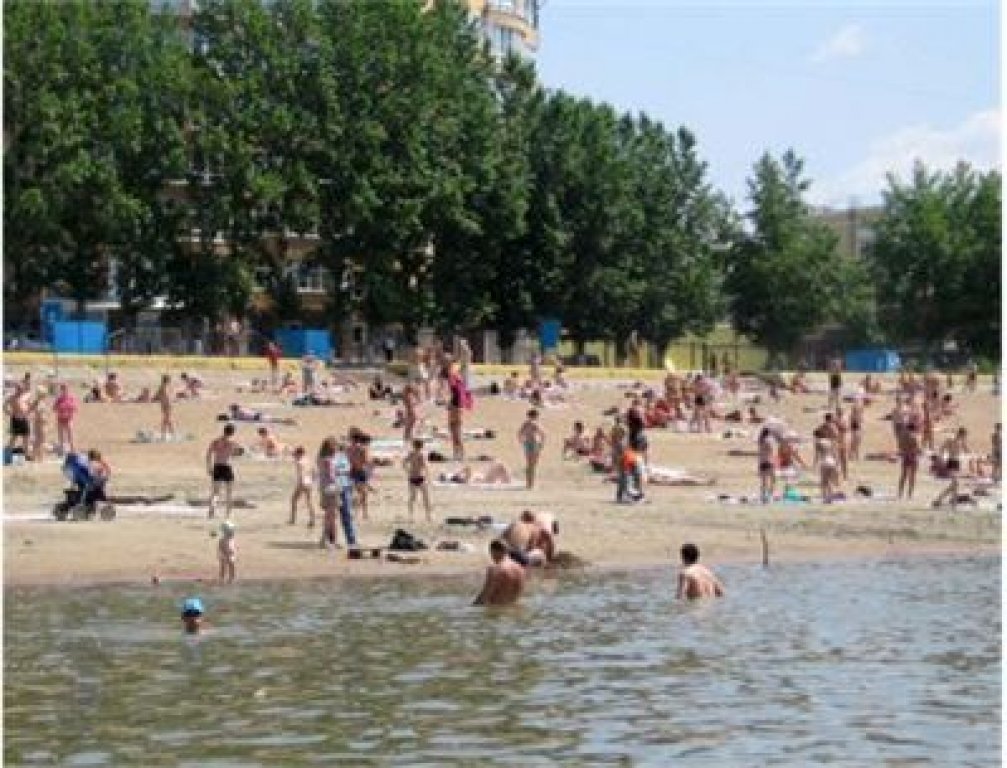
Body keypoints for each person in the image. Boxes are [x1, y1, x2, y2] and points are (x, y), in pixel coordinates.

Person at [317, 437, 357, 549]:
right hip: (332, 489)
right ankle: (325, 539)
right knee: (330, 516)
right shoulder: (328, 460)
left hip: (326, 488)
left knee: (332, 515)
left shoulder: (321, 458)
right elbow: (332, 476)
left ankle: (332, 540)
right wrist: (342, 472)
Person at [473, 539, 526, 607]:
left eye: (491, 553)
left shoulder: (496, 569)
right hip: (514, 608)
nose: (492, 557)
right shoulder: (520, 569)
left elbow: (486, 593)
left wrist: (472, 607)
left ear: (494, 551)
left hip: (496, 608)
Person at [206, 424, 239, 519]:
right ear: (232, 433)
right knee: (229, 492)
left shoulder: (216, 441)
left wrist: (209, 467)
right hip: (227, 466)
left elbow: (208, 454)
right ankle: (228, 515)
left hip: (217, 466)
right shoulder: (233, 443)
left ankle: (212, 510)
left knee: (216, 492)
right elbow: (236, 453)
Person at [933, 427, 970, 511]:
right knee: (956, 483)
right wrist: (941, 458)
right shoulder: (950, 439)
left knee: (954, 485)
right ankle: (953, 504)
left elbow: (967, 451)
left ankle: (939, 499)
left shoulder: (961, 441)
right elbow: (942, 448)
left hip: (957, 463)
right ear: (961, 434)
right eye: (964, 435)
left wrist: (966, 448)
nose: (965, 437)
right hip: (951, 462)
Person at [347, 428, 373, 521]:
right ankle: (364, 513)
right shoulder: (363, 448)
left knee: (354, 493)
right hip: (361, 471)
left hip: (351, 471)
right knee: (363, 494)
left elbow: (347, 460)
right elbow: (367, 461)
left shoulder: (348, 449)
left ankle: (355, 513)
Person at [403, 439, 432, 521]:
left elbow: (404, 463)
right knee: (425, 497)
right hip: (420, 477)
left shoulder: (411, 454)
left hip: (412, 477)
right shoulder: (421, 455)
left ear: (414, 445)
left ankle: (411, 516)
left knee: (412, 497)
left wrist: (407, 471)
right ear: (422, 446)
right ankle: (428, 515)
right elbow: (425, 466)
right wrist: (428, 476)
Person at [517, 409, 546, 489]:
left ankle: (529, 483)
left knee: (529, 464)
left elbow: (519, 433)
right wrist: (541, 444)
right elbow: (543, 434)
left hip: (527, 444)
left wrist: (521, 441)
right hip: (533, 444)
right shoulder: (534, 424)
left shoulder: (525, 424)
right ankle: (530, 484)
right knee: (532, 465)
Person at [289, 445, 316, 527]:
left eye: (295, 454)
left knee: (293, 500)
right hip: (309, 481)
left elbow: (301, 474)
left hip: (302, 482)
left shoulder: (299, 462)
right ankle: (312, 520)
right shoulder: (308, 460)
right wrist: (313, 480)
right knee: (309, 501)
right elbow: (314, 471)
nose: (294, 456)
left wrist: (300, 484)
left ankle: (293, 519)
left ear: (299, 454)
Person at [5, 382, 32, 454]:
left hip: (24, 419)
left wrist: (28, 413)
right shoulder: (12, 397)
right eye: (19, 388)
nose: (21, 390)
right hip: (16, 419)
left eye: (22, 388)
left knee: (26, 437)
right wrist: (10, 413)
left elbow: (29, 406)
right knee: (14, 437)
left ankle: (27, 454)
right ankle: (7, 453)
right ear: (16, 389)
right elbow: (4, 406)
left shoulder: (25, 397)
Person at [897, 422, 921, 500]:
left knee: (903, 475)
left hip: (905, 456)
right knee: (912, 476)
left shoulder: (902, 437)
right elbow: (917, 448)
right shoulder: (914, 437)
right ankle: (910, 494)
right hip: (913, 457)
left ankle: (900, 493)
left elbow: (900, 447)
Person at [53, 383, 78, 455]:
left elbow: (75, 408)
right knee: (61, 435)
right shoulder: (59, 399)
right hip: (60, 419)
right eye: (63, 388)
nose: (64, 390)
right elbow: (54, 408)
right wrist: (59, 410)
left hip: (69, 419)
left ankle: (72, 450)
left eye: (65, 388)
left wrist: (70, 411)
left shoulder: (71, 398)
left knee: (70, 435)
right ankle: (61, 450)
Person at [154, 375, 175, 441]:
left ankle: (166, 433)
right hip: (166, 405)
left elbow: (157, 395)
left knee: (166, 419)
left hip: (164, 405)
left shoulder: (161, 387)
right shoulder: (165, 387)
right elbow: (166, 396)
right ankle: (168, 433)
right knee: (167, 419)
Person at [757, 427, 775, 503]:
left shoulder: (760, 441)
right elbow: (771, 451)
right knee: (773, 479)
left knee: (763, 481)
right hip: (768, 461)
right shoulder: (768, 441)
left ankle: (762, 496)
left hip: (761, 462)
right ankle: (770, 496)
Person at [31, 392, 48, 462]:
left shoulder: (36, 402)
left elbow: (34, 411)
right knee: (41, 441)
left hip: (38, 423)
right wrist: (43, 419)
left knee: (37, 440)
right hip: (41, 423)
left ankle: (35, 456)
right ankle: (40, 457)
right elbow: (40, 413)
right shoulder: (40, 403)